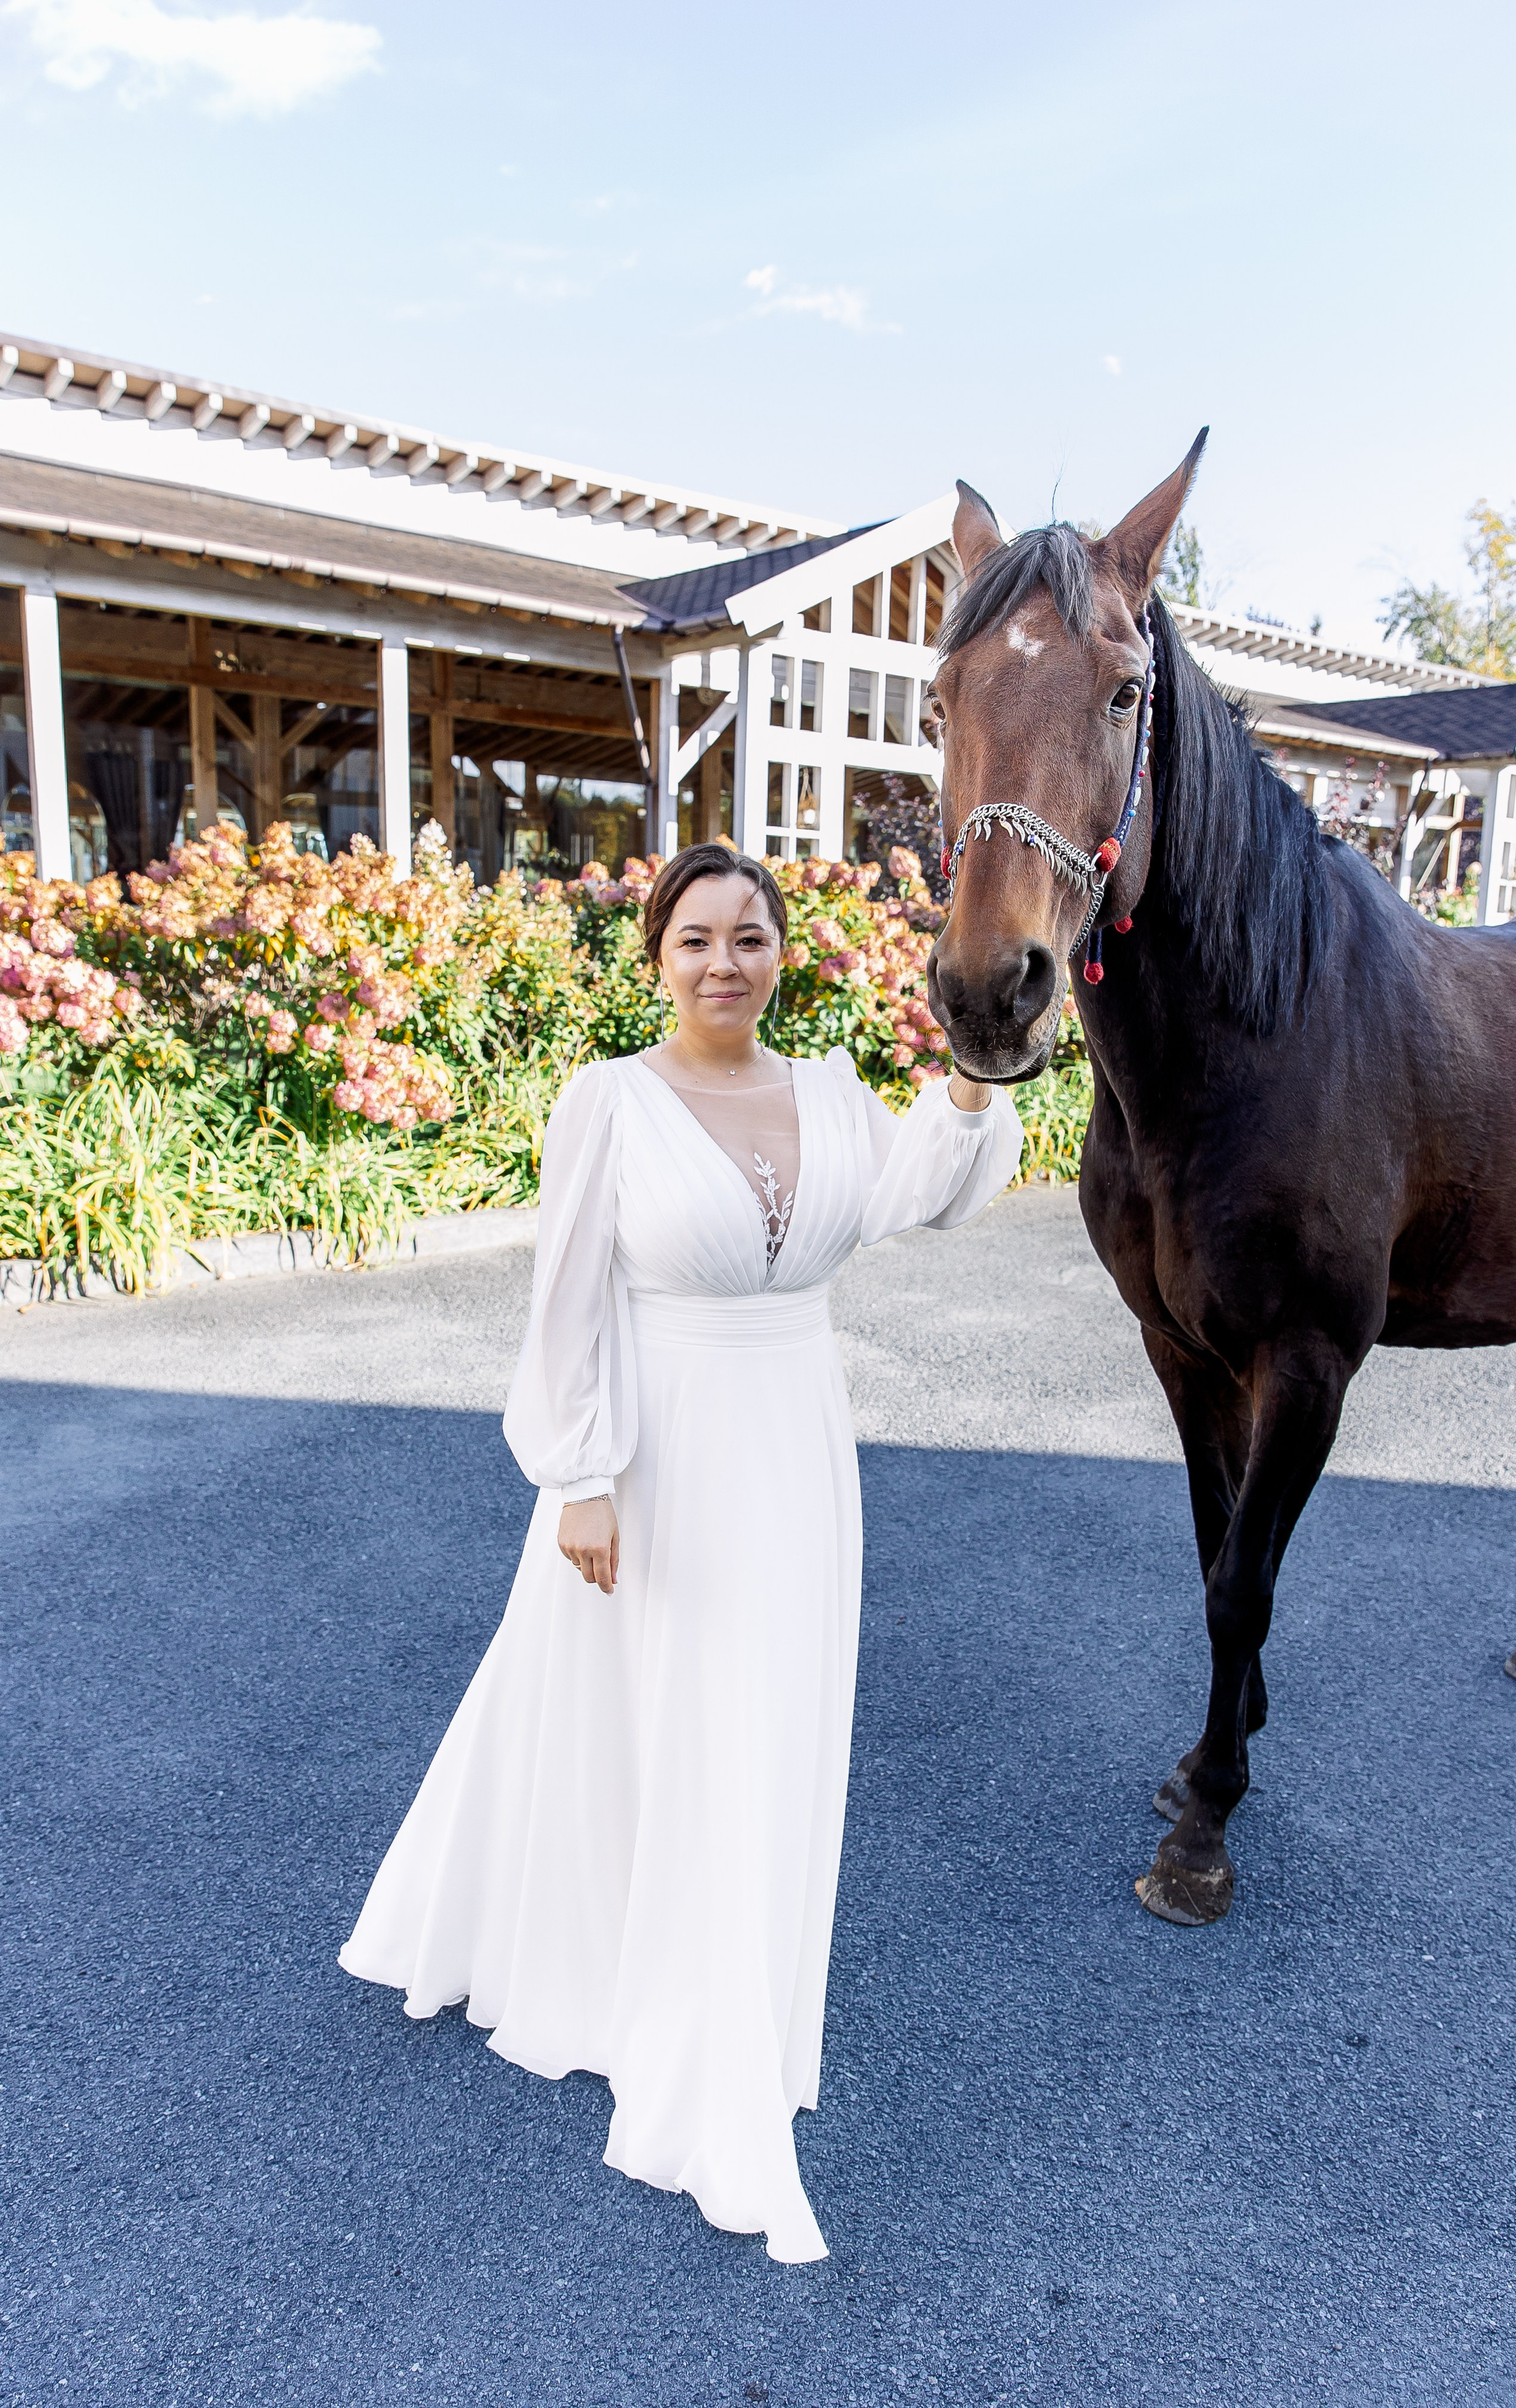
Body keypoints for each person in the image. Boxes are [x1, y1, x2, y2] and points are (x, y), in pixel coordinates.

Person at [339, 840, 1023, 2262]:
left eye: (750, 938)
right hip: (654, 1464)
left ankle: (727, 1988)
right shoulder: (610, 1102)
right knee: (641, 1728)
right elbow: (568, 1294)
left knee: (761, 1735)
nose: (725, 962)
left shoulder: (830, 1099)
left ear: (784, 955)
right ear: (655, 958)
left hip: (795, 1458)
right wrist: (580, 1474)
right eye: (697, 939)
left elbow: (934, 1192)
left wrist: (972, 1072)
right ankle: (661, 2016)